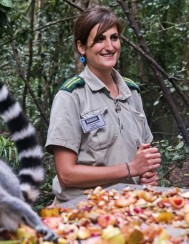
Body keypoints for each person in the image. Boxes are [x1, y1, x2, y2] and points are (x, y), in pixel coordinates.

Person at [45, 6, 161, 204]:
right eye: (100, 39)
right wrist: (131, 168)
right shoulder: (71, 96)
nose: (109, 46)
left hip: (128, 206)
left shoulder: (131, 92)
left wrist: (146, 176)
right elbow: (66, 174)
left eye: (114, 37)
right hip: (81, 210)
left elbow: (143, 156)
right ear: (82, 47)